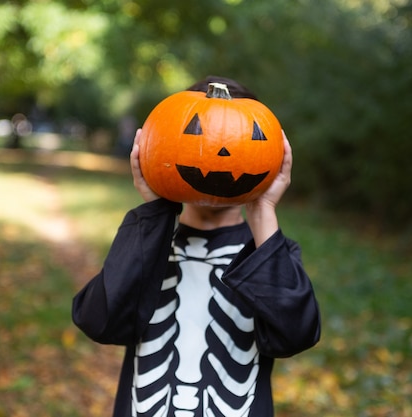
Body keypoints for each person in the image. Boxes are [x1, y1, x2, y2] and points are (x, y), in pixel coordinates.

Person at [72, 76, 321, 417]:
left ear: (275, 157)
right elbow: (100, 321)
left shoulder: (270, 255)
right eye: (194, 132)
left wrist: (264, 211)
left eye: (249, 137)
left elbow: (297, 334)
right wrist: (155, 208)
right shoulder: (147, 246)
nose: (221, 151)